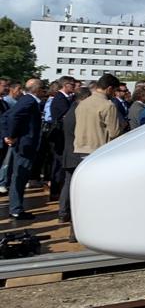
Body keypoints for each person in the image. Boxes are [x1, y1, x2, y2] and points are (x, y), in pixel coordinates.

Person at [3, 78, 46, 220]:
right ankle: (16, 209)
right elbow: (12, 116)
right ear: (38, 90)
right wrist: (11, 135)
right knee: (19, 177)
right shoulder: (29, 101)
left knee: (18, 177)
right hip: (25, 145)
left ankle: (16, 207)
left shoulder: (25, 99)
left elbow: (6, 116)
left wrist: (9, 136)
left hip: (23, 144)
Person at [58, 87, 93, 225]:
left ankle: (63, 212)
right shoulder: (78, 112)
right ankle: (65, 213)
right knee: (70, 185)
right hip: (75, 153)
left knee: (68, 184)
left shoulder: (72, 110)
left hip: (70, 152)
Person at [73, 73, 122, 167]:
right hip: (99, 148)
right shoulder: (108, 105)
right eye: (114, 91)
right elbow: (114, 133)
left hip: (80, 147)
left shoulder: (82, 103)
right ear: (109, 88)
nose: (114, 94)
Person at [44, 76, 76, 201]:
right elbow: (65, 115)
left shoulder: (65, 98)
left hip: (62, 136)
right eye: (72, 85)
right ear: (65, 85)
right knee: (58, 165)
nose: (73, 87)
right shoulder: (60, 98)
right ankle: (55, 191)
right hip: (59, 137)